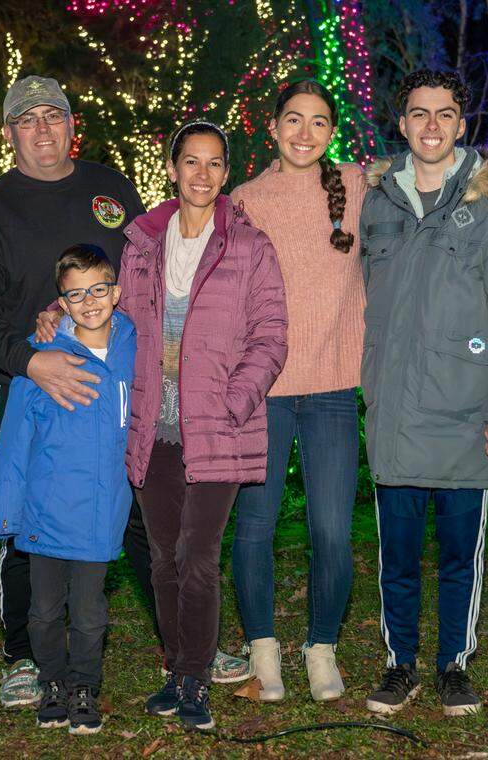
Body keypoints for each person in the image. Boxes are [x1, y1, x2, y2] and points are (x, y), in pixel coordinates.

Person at [0, 74, 155, 708]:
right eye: (28, 118)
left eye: (54, 115)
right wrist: (31, 362)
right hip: (34, 392)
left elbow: (145, 275)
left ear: (72, 125)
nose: (43, 128)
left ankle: (185, 643)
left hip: (117, 387)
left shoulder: (110, 189)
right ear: (10, 133)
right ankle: (20, 655)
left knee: (146, 516)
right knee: (26, 520)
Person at [359, 69, 488, 717]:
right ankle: (399, 662)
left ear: (462, 124)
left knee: (459, 556)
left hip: (469, 416)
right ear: (401, 123)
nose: (431, 126)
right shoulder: (376, 204)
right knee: (398, 556)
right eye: (418, 113)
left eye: (444, 114)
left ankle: (453, 665)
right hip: (397, 415)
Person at [119, 121, 287, 731]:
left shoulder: (249, 247)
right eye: (191, 162)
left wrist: (232, 401)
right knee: (162, 557)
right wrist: (59, 309)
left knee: (198, 557)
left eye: (215, 164)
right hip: (154, 429)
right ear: (172, 167)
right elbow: (114, 318)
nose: (202, 174)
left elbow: (270, 337)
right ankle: (176, 668)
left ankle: (195, 679)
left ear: (225, 172)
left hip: (217, 428)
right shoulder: (140, 243)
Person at [228, 79, 366, 703]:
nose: (304, 133)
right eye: (293, 120)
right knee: (254, 525)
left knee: (333, 530)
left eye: (318, 122)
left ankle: (321, 647)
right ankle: (263, 649)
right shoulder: (245, 200)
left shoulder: (357, 189)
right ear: (273, 127)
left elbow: (428, 168)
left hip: (335, 386)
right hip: (265, 387)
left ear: (333, 132)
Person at [0, 245, 134, 735]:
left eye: (97, 289)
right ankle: (51, 681)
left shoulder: (135, 344)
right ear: (61, 303)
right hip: (46, 510)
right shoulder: (41, 355)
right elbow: (14, 440)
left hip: (101, 507)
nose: (89, 301)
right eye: (76, 294)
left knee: (90, 611)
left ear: (116, 292)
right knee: (45, 610)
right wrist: (7, 512)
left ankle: (84, 686)